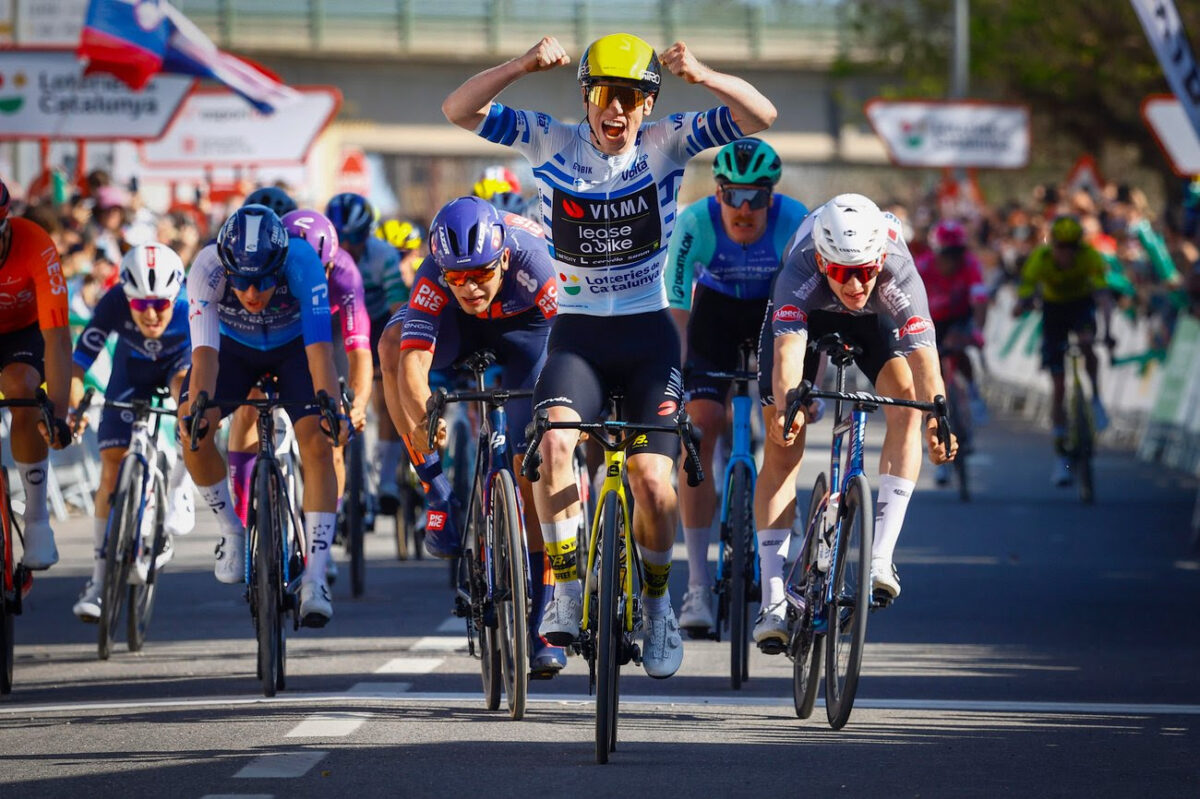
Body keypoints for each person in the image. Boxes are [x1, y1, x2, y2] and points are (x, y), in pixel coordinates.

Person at [443, 31, 777, 678]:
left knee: (653, 481)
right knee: (553, 448)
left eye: (630, 96)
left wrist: (703, 74)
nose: (616, 108)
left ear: (648, 104)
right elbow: (458, 109)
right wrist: (523, 64)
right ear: (586, 98)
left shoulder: (667, 142)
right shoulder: (550, 141)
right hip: (579, 337)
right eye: (604, 94)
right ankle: (566, 591)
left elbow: (760, 116)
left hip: (649, 336)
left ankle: (657, 605)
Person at [754, 193, 957, 649]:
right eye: (843, 272)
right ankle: (772, 597)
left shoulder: (897, 272)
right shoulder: (801, 268)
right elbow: (788, 355)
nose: (854, 284)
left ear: (879, 260)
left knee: (908, 401)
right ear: (822, 261)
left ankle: (880, 557)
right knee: (783, 439)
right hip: (808, 316)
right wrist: (789, 405)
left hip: (873, 323)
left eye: (865, 271)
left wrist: (937, 418)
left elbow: (926, 362)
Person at [378, 195, 565, 675]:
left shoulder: (535, 263)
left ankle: (545, 615)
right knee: (391, 344)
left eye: (480, 273)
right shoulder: (433, 276)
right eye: (456, 277)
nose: (470, 286)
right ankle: (437, 490)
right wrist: (425, 418)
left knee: (532, 469)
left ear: (502, 258)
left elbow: (571, 347)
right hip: (458, 331)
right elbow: (414, 364)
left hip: (528, 331)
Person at [663, 137, 809, 635]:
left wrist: (805, 377)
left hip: (775, 315)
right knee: (699, 431)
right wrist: (677, 375)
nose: (745, 209)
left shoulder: (795, 221)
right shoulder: (694, 223)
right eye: (734, 196)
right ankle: (698, 585)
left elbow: (808, 305)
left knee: (782, 424)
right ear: (718, 193)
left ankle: (778, 517)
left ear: (772, 196)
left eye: (756, 197)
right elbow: (678, 307)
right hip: (715, 318)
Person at [179, 205, 350, 627]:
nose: (252, 293)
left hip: (295, 351)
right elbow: (204, 357)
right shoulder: (207, 267)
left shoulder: (303, 262)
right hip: (232, 352)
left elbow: (320, 352)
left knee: (319, 441)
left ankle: (315, 577)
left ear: (280, 265)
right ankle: (231, 530)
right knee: (193, 429)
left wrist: (331, 405)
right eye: (241, 281)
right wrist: (199, 409)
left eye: (264, 281)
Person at [222, 209, 372, 529]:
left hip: (325, 331)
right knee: (249, 403)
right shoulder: (272, 268)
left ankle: (324, 529)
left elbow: (359, 349)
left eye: (324, 269)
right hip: (279, 330)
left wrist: (356, 404)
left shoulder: (345, 272)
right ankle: (242, 513)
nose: (315, 275)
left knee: (330, 434)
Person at [68, 243, 194, 621]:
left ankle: (180, 483)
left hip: (179, 365)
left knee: (188, 401)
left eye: (160, 304)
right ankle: (98, 580)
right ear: (127, 297)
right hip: (131, 370)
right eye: (140, 304)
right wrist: (75, 408)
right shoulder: (113, 302)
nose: (151, 314)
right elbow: (79, 362)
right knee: (111, 464)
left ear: (175, 296)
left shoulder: (190, 305)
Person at [0, 178, 73, 570]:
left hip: (25, 333)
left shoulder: (35, 244)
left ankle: (36, 519)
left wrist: (58, 415)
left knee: (22, 387)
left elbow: (57, 339)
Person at [324, 193, 409, 513]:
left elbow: (398, 306)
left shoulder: (383, 254)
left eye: (356, 239)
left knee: (386, 398)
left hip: (378, 322)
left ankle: (386, 480)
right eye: (342, 239)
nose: (348, 247)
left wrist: (396, 357)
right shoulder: (324, 253)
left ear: (367, 234)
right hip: (338, 323)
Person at [1013, 214, 1112, 486]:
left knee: (1087, 343)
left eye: (1072, 249)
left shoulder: (1090, 256)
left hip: (1081, 306)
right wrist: (1022, 304)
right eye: (1061, 248)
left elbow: (1104, 297)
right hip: (1054, 311)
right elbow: (1025, 290)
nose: (1066, 254)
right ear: (1053, 245)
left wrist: (1108, 331)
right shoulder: (1040, 258)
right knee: (1058, 386)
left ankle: (1097, 399)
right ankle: (1061, 458)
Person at [915, 218, 990, 487]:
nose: (953, 260)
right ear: (936, 253)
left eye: (958, 253)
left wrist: (977, 331)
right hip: (931, 321)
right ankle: (938, 452)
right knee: (929, 378)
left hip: (960, 317)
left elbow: (980, 300)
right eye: (948, 254)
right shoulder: (922, 267)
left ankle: (973, 392)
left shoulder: (970, 265)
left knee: (960, 347)